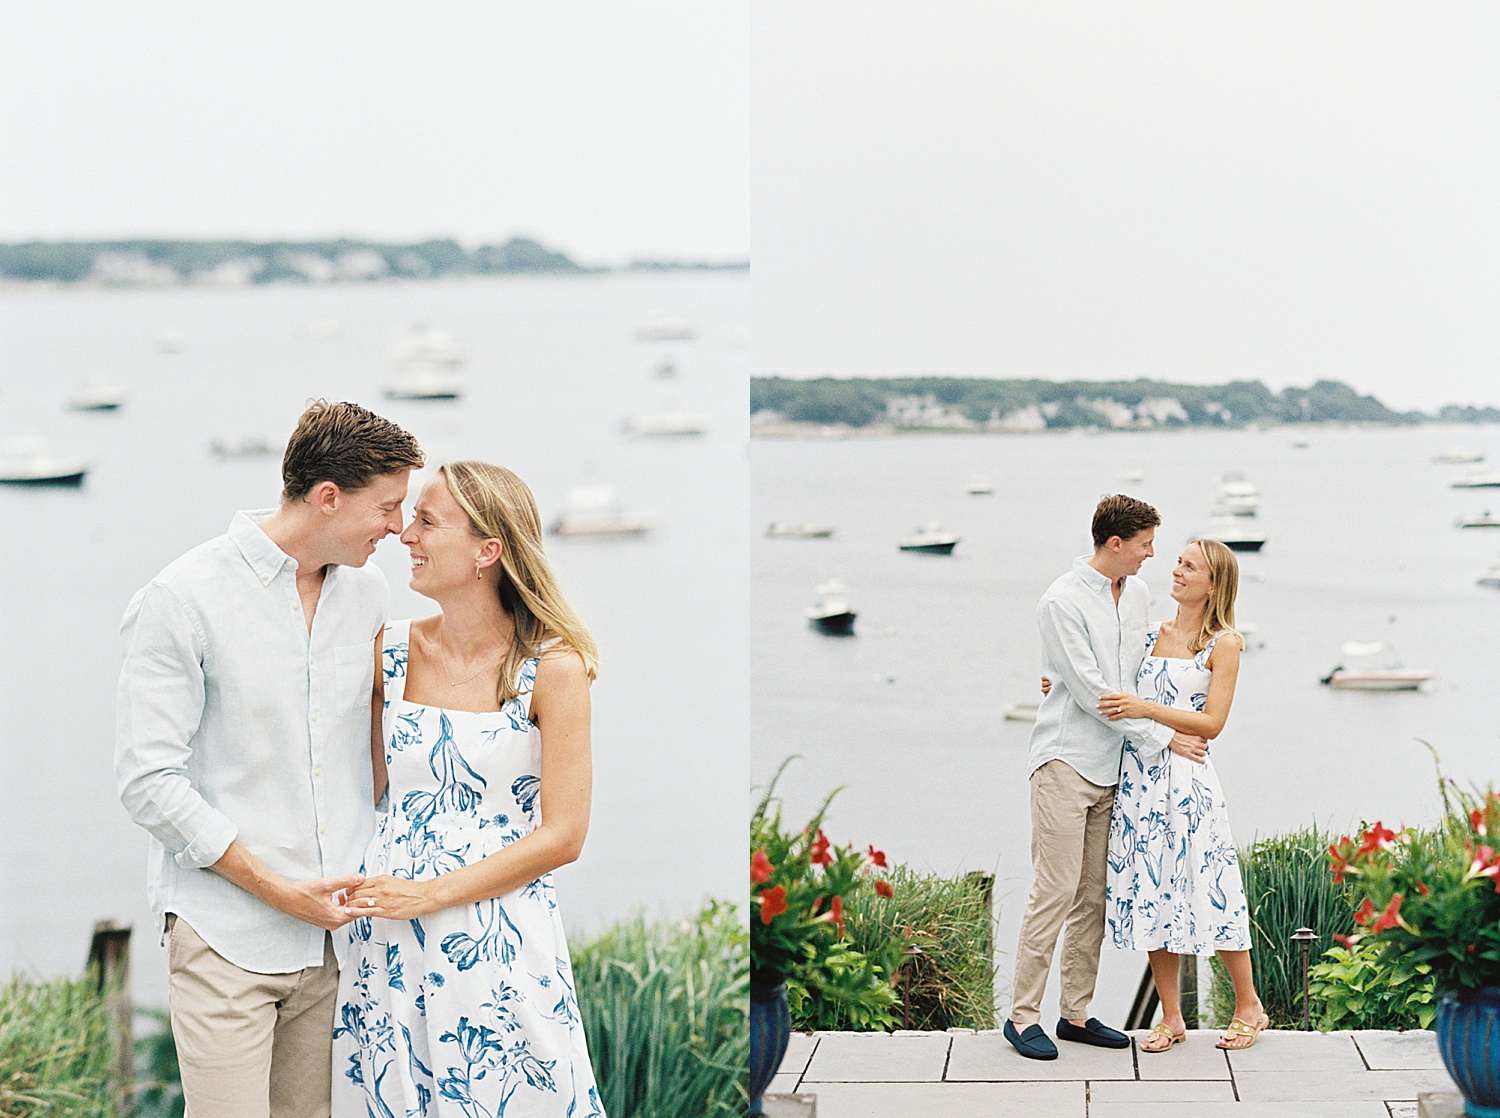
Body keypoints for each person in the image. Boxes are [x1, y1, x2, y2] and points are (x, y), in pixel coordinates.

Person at [116, 400, 425, 1117]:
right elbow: (147, 782)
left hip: (340, 941)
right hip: (226, 936)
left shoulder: (371, 593)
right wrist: (278, 889)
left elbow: (371, 752)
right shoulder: (182, 598)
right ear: (327, 498)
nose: (397, 528)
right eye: (387, 507)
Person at [331, 461, 605, 1117]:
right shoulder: (386, 655)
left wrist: (428, 894)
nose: (406, 535)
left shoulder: (554, 669)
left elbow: (564, 836)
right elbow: (359, 792)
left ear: (487, 550)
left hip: (498, 936)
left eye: (427, 521)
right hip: (388, 940)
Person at [1004, 495, 1207, 1061]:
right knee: (1055, 890)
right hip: (1065, 762)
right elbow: (1096, 693)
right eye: (1145, 545)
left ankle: (1075, 1014)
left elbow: (1139, 664)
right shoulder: (1060, 601)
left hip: (1114, 766)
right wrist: (1166, 736)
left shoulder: (1136, 593)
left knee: (1092, 897)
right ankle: (1022, 1019)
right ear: (1115, 544)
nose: (1151, 557)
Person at [1100, 537, 1267, 1052]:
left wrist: (1146, 709)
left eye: (1189, 566)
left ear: (1213, 583)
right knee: (1152, 888)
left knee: (1212, 884)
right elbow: (1108, 688)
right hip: (1140, 783)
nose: (1176, 570)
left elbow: (1212, 722)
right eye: (1177, 561)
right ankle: (1172, 1017)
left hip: (1189, 783)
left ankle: (1249, 1006)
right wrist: (1056, 686)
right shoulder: (1147, 634)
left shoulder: (1225, 644)